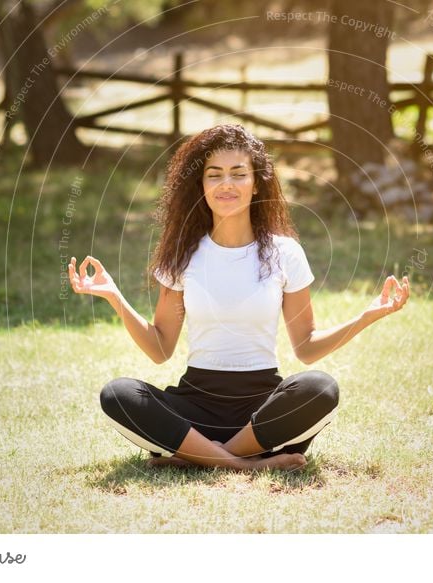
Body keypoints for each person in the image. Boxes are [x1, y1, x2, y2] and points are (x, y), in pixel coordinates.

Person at [69, 124, 409, 472]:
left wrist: (366, 317)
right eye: (214, 175)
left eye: (238, 174)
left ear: (256, 182)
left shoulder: (285, 253)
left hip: (262, 416)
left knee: (320, 388)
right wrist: (114, 297)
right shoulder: (181, 255)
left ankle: (200, 457)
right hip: (194, 408)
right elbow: (160, 348)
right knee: (118, 395)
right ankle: (247, 465)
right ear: (201, 185)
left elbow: (306, 347)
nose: (226, 184)